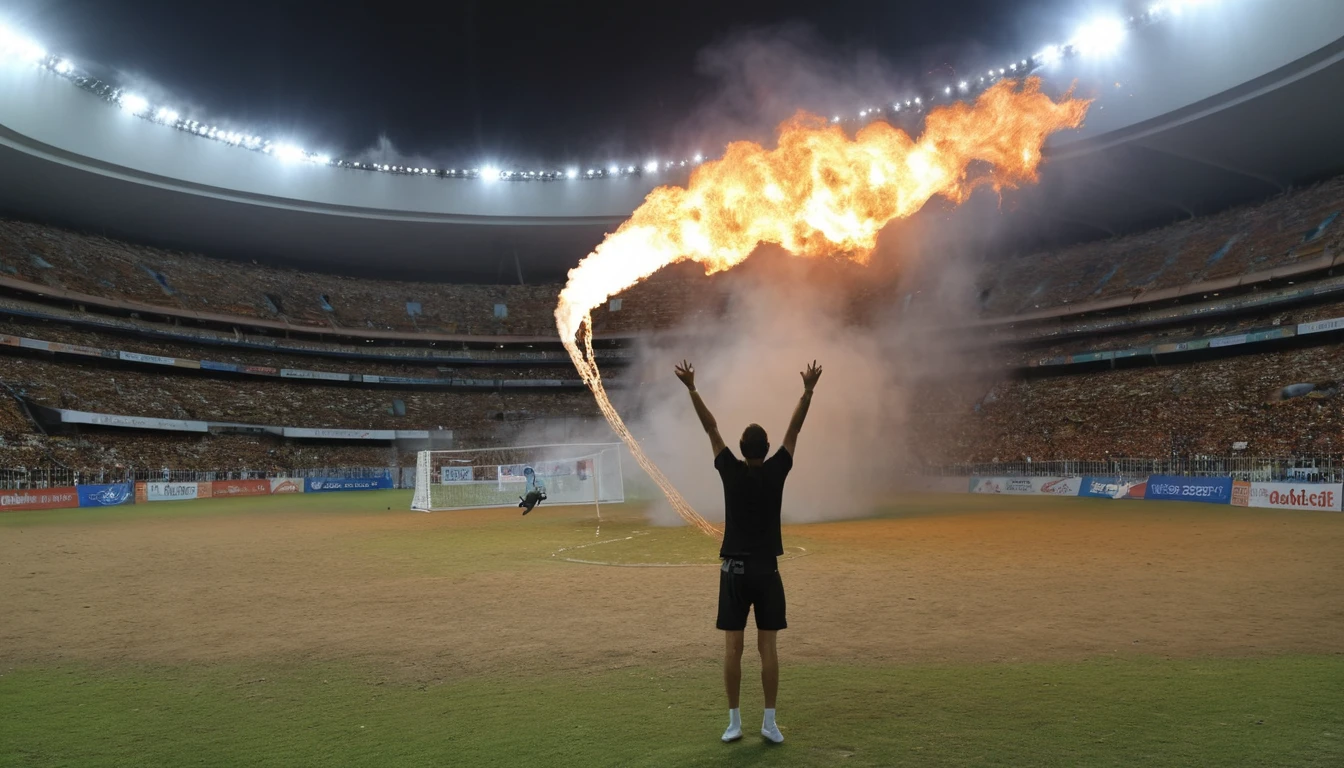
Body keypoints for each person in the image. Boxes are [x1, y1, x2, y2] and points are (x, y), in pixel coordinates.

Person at [675, 358, 822, 745]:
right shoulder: (777, 470)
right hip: (767, 572)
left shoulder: (729, 469)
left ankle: (734, 722)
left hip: (734, 573)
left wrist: (692, 387)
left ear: (740, 449)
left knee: (733, 648)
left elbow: (710, 427)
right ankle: (770, 724)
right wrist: (807, 391)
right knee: (768, 648)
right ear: (767, 448)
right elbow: (795, 427)